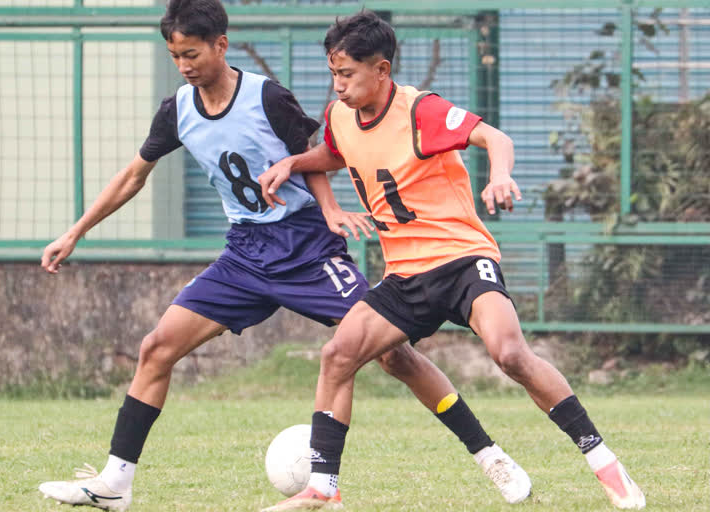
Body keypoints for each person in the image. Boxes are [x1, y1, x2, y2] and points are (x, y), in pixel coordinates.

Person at [37, 1, 531, 510]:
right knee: (156, 347)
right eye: (175, 55)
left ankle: (488, 453)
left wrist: (331, 209)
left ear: (220, 45)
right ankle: (115, 483)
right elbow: (132, 176)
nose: (184, 65)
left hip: (307, 247)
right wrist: (76, 232)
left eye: (192, 53)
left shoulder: (266, 96)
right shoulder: (177, 110)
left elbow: (313, 153)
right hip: (244, 254)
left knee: (392, 353)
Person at [258, 10, 646, 512]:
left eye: (347, 74)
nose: (338, 86)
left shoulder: (423, 110)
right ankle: (323, 489)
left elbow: (495, 139)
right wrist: (293, 161)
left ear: (382, 70)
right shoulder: (338, 116)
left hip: (462, 258)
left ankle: (604, 462)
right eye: (333, 74)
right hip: (404, 274)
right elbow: (337, 154)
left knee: (509, 353)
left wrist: (499, 175)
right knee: (339, 355)